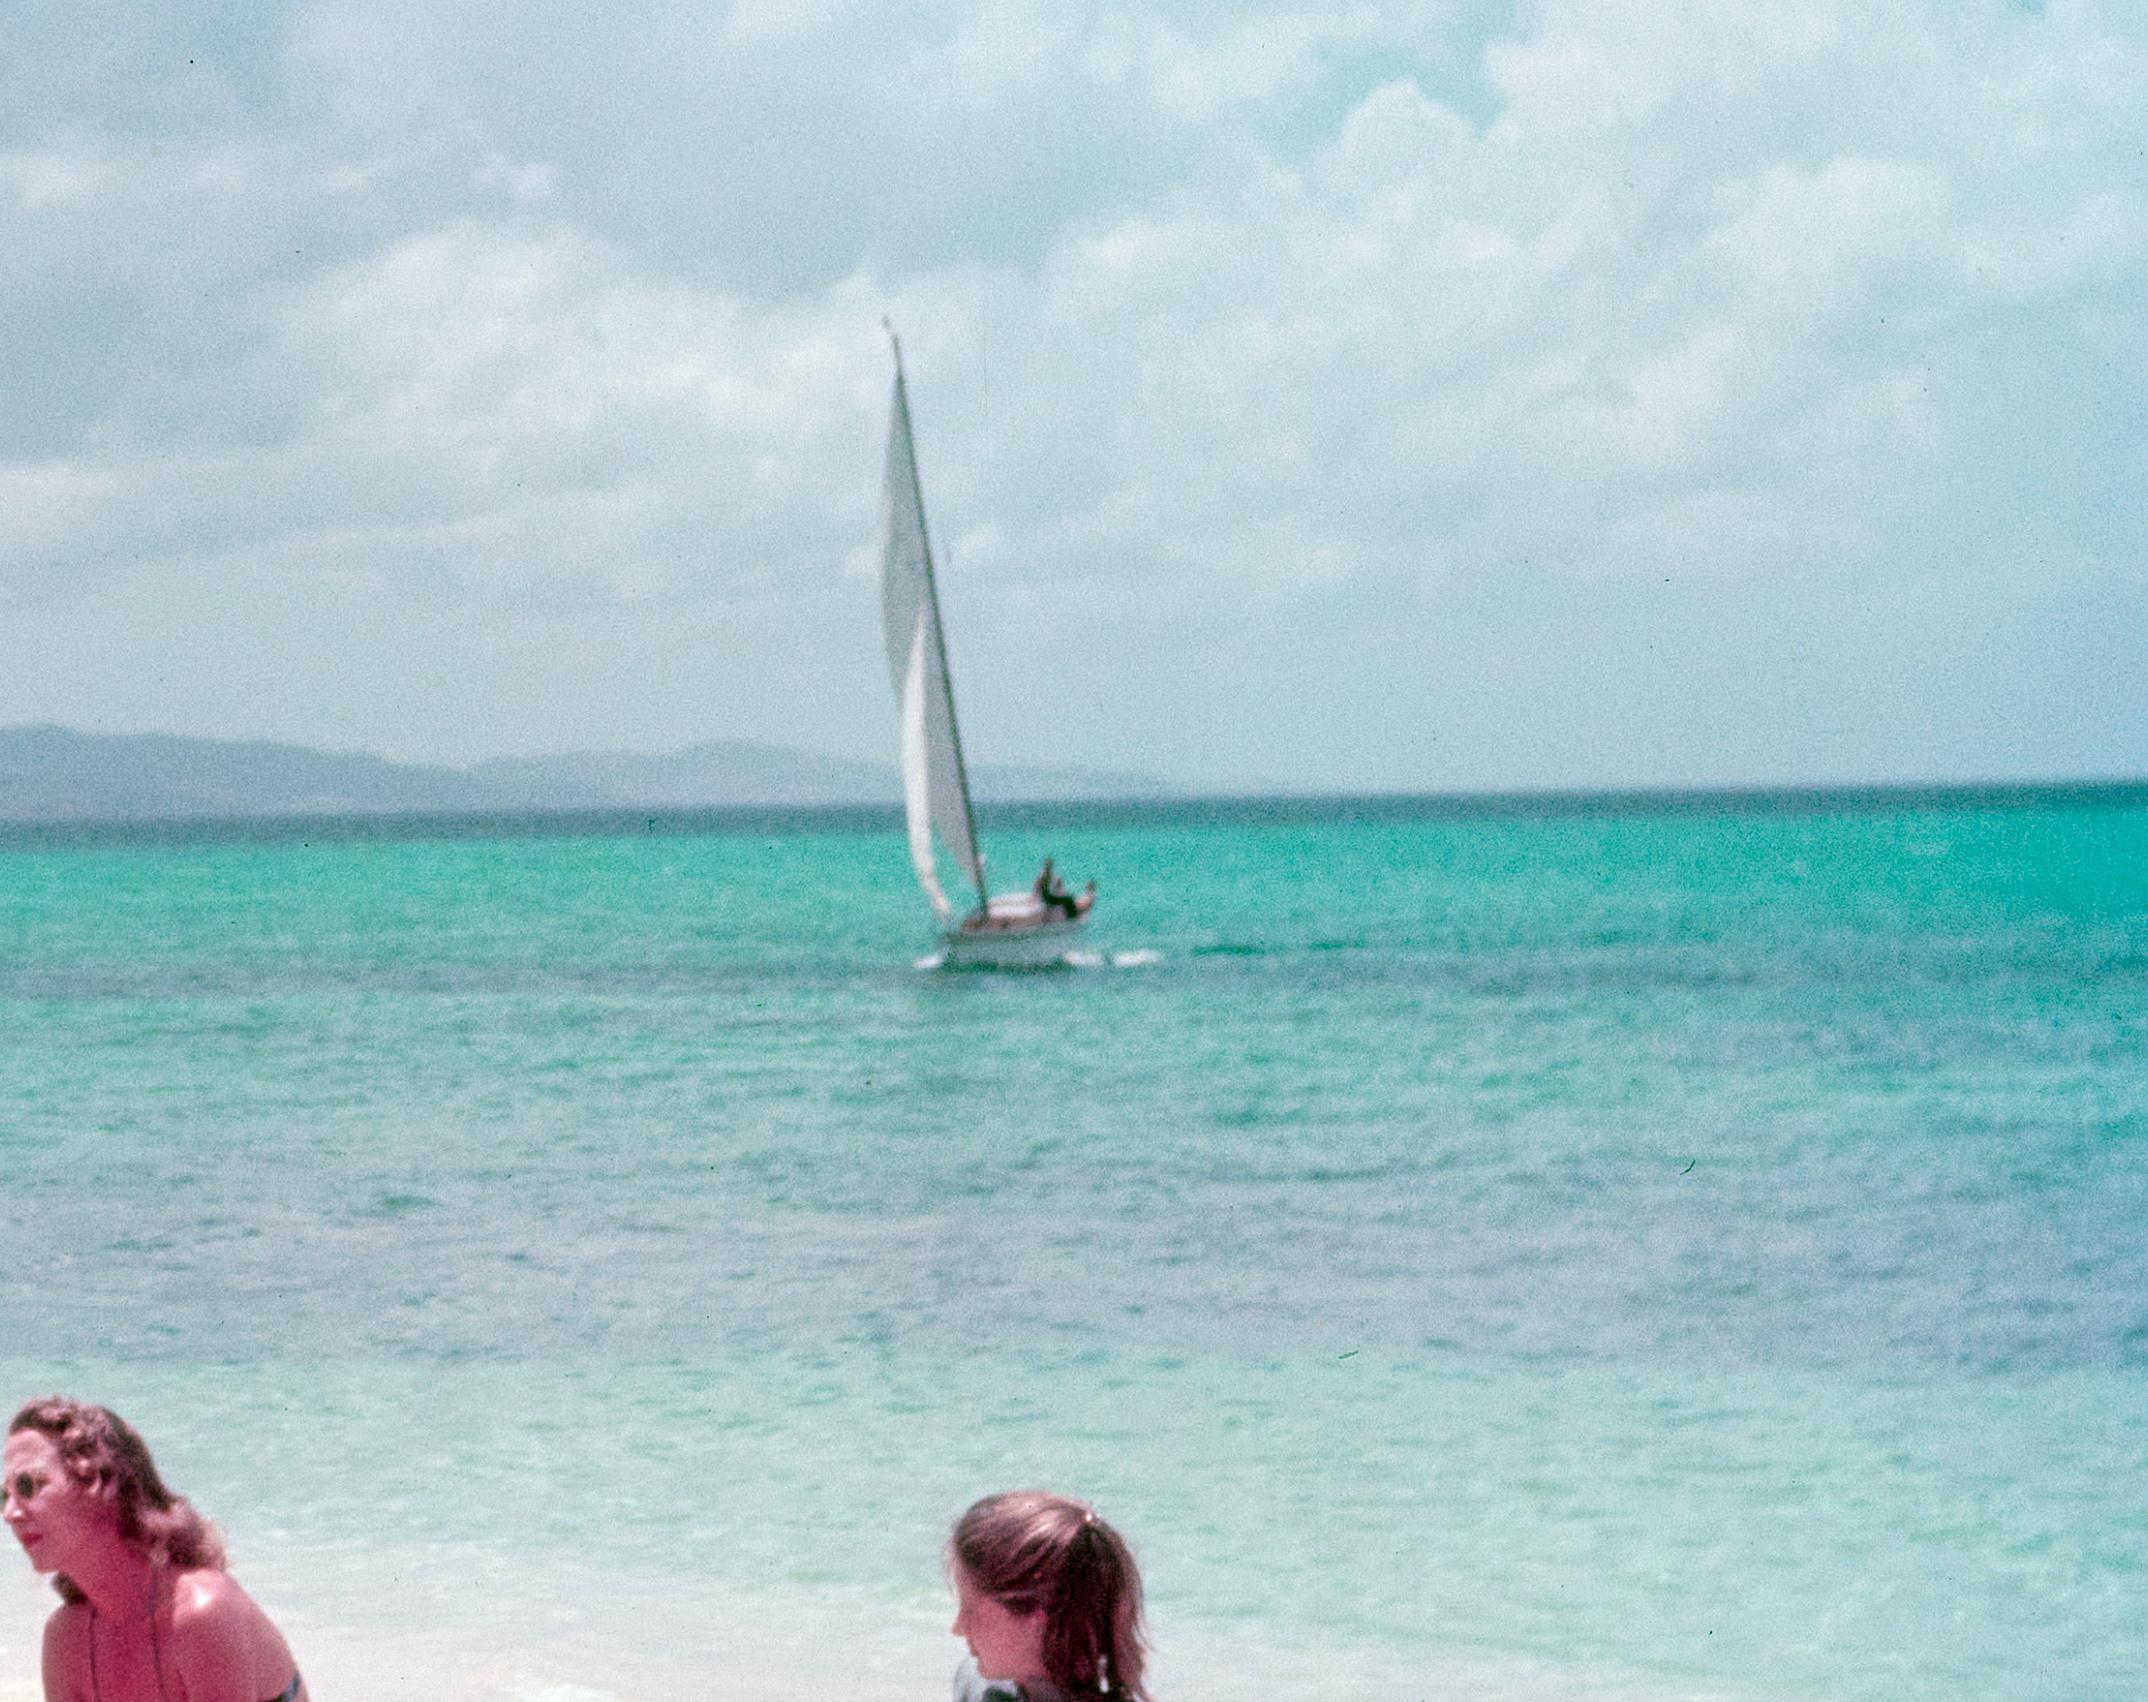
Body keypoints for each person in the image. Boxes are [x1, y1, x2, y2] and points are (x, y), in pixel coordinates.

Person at [3, 1398, 307, 1702]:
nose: (10, 1513)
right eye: (4, 1496)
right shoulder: (67, 1639)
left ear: (101, 1485)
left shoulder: (201, 1612)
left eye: (29, 1485)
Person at [947, 1490, 1150, 1702]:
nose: (958, 1627)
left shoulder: (977, 1686)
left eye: (970, 1608)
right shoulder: (976, 1683)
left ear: (1038, 1612)